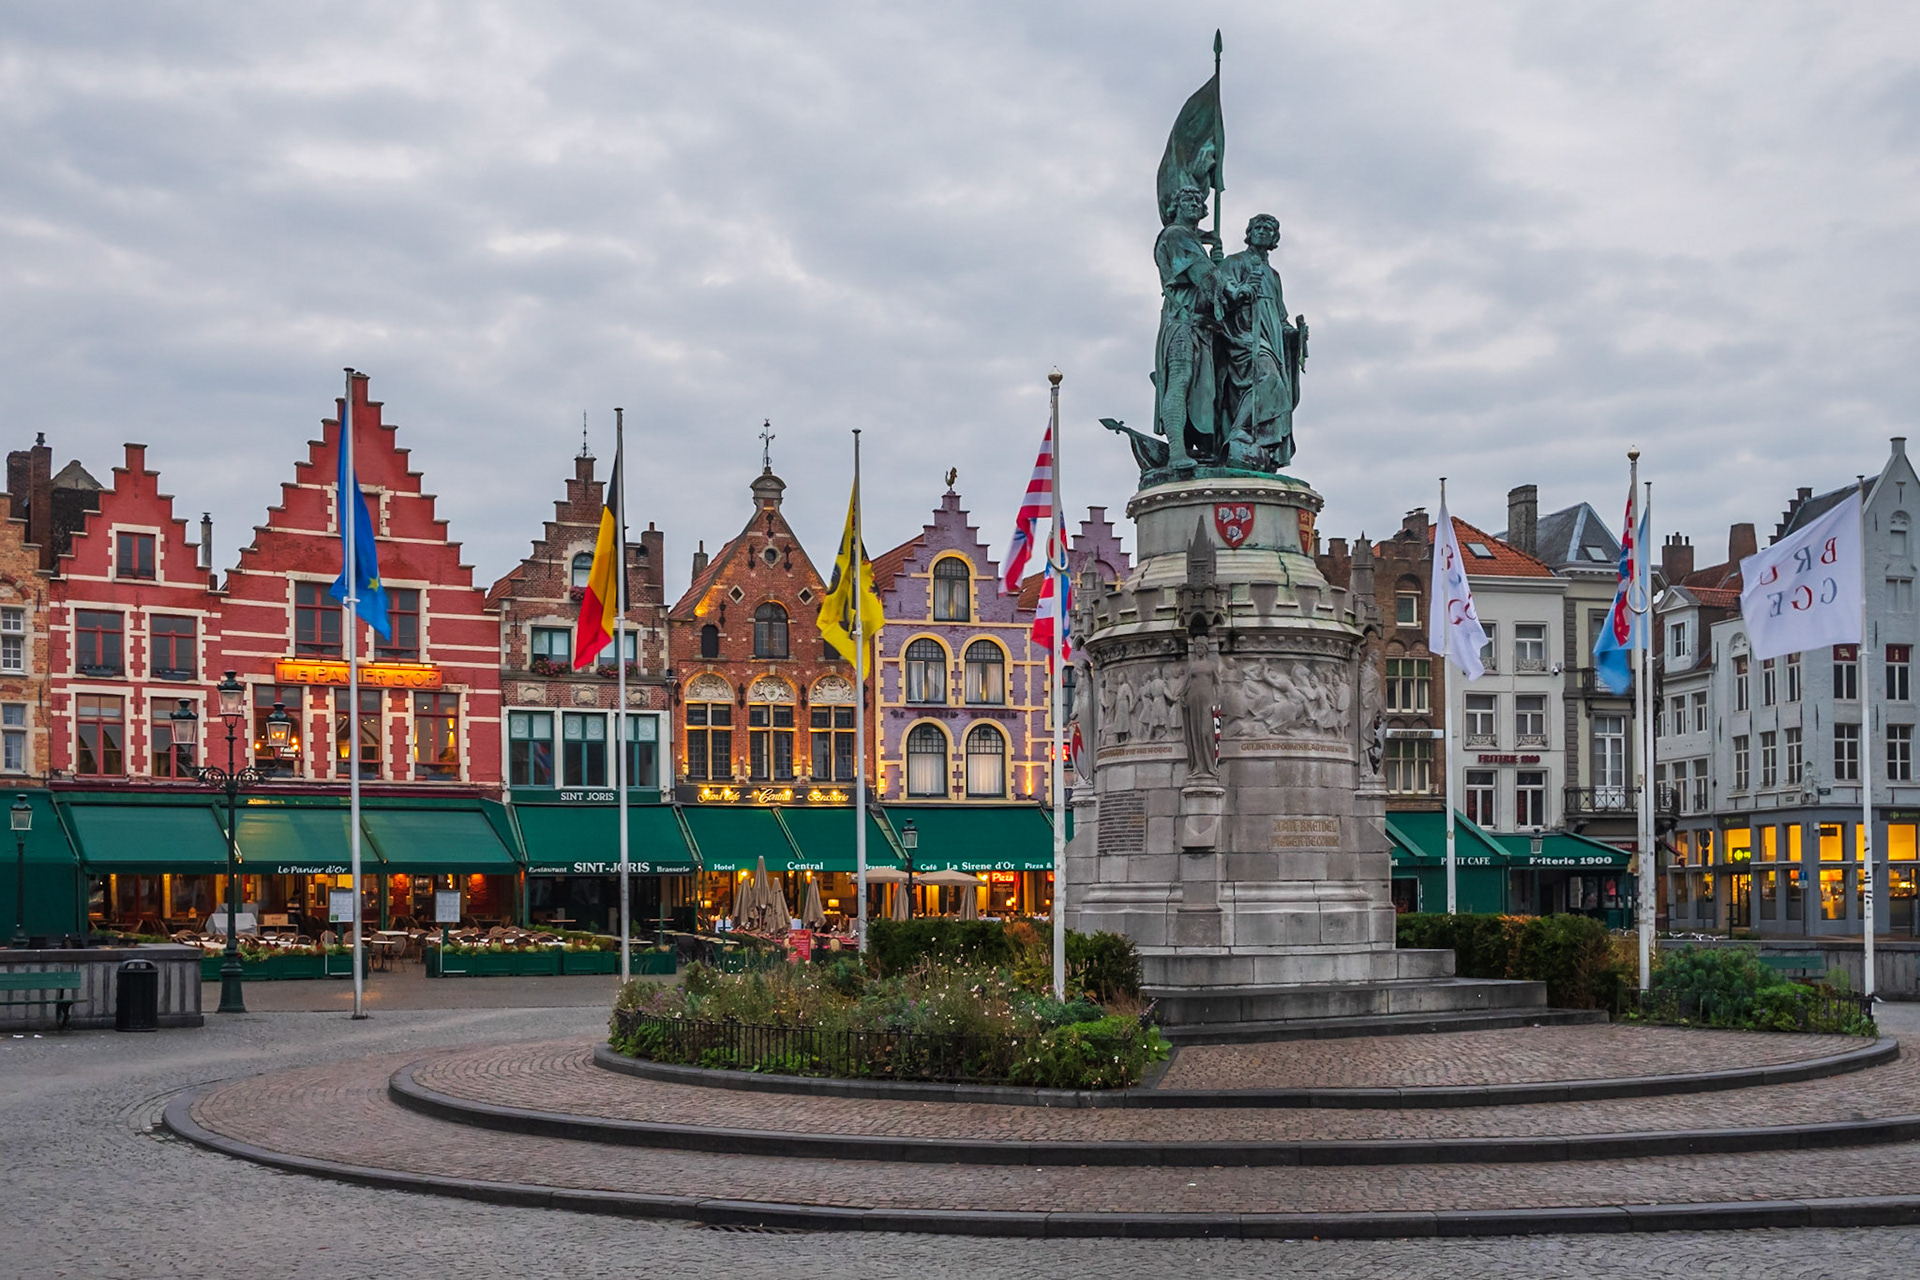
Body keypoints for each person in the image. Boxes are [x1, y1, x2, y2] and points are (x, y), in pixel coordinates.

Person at [1218, 214, 1306, 470]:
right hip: (1244, 335)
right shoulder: (1233, 263)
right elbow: (1218, 296)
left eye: (1269, 229)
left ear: (1275, 238)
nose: (1263, 231)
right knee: (1270, 380)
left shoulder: (1274, 275)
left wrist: (1295, 334)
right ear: (1249, 232)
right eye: (1258, 227)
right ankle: (1238, 432)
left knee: (1277, 390)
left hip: (1270, 339)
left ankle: (1260, 445)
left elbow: (1280, 317)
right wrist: (1241, 292)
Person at [1153, 185, 1224, 460]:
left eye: (1198, 199)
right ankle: (1177, 453)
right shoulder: (1176, 234)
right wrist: (1230, 286)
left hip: (1199, 324)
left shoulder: (1190, 239)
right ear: (1175, 206)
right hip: (1182, 320)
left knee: (1200, 389)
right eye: (1187, 199)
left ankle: (1200, 446)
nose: (1195, 202)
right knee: (1180, 382)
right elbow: (1205, 276)